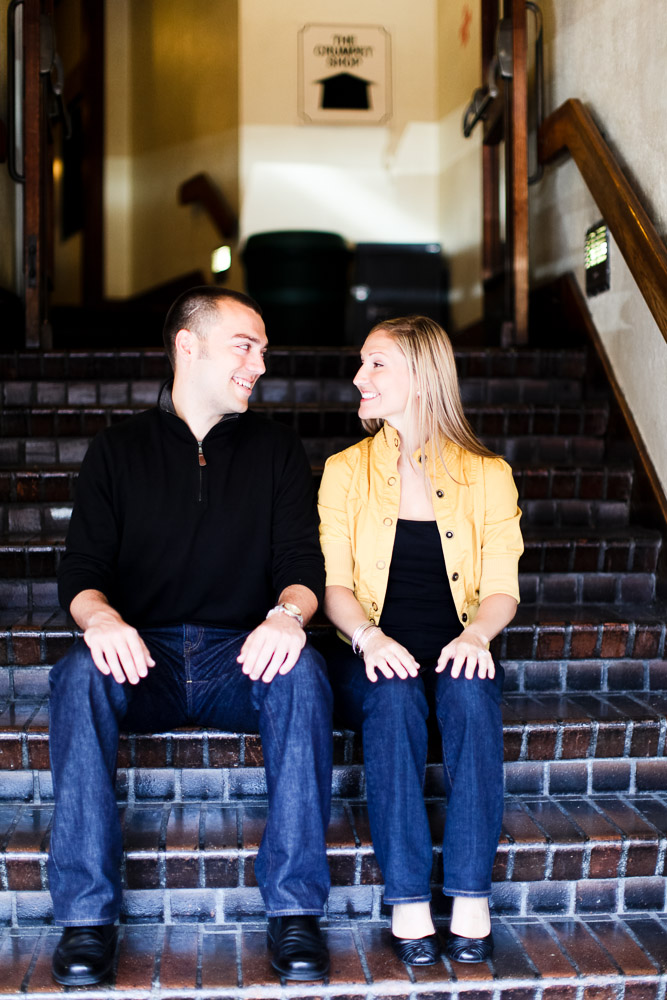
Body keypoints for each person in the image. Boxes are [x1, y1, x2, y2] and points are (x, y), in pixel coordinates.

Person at [48, 287, 332, 986]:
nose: (259, 364)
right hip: (144, 658)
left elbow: (302, 569)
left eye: (263, 350)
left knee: (305, 672)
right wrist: (100, 617)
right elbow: (81, 573)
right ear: (187, 345)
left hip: (241, 658)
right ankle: (86, 919)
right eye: (245, 346)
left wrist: (287, 615)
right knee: (77, 675)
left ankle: (295, 910)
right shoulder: (116, 451)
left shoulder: (276, 450)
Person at [318, 316, 523, 965]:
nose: (359, 376)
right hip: (371, 651)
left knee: (469, 691)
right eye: (361, 362)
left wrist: (477, 636)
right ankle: (407, 897)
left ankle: (470, 895)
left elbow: (502, 587)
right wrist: (369, 638)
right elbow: (334, 586)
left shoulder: (487, 474)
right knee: (393, 694)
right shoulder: (343, 471)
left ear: (423, 376)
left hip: (456, 645)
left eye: (376, 363)